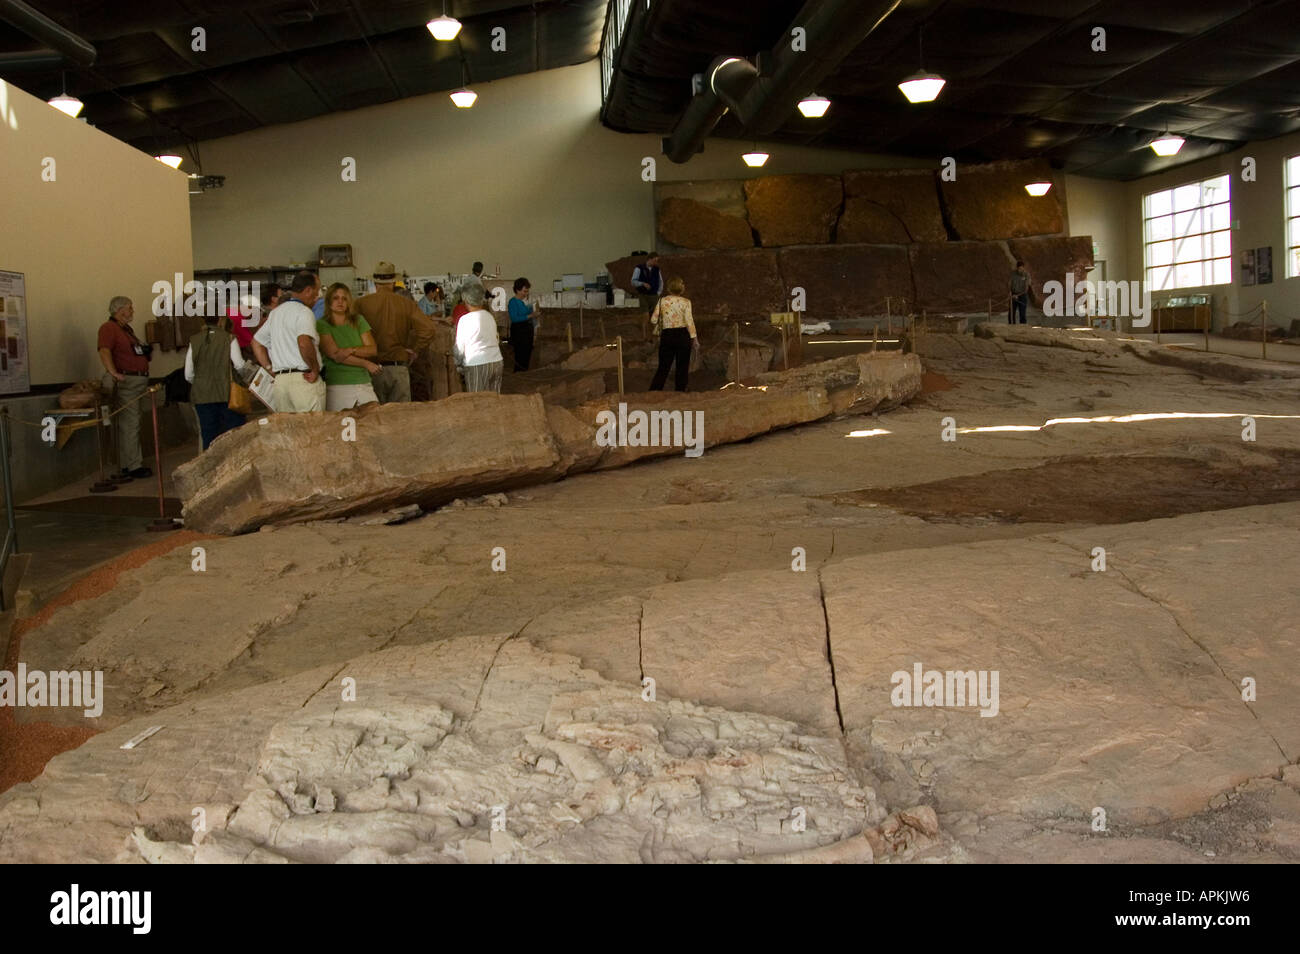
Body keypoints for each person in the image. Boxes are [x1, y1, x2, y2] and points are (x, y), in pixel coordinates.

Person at [354, 261, 437, 403]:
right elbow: (428, 329)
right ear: (393, 282)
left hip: (371, 368)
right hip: (398, 367)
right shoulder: (406, 304)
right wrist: (415, 350)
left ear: (375, 283)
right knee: (401, 419)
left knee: (374, 418)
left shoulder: (360, 304)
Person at [251, 270, 325, 412]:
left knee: (288, 431)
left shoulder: (276, 313)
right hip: (304, 379)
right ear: (308, 290)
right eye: (316, 291)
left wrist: (269, 368)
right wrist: (314, 368)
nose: (317, 296)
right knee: (312, 430)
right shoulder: (304, 312)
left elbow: (256, 342)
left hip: (281, 383)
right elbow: (303, 342)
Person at [97, 296, 152, 479]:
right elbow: (104, 350)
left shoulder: (126, 330)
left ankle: (129, 462)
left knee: (132, 422)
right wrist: (113, 373)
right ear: (120, 310)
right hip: (127, 382)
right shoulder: (108, 328)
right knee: (130, 423)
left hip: (137, 381)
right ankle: (133, 465)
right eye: (130, 308)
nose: (132, 311)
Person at [185, 312, 246, 449]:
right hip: (227, 394)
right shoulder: (229, 338)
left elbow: (188, 373)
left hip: (202, 395)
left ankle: (212, 468)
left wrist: (202, 382)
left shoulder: (194, 340)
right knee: (234, 435)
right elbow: (239, 365)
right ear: (220, 320)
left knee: (209, 436)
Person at [316, 282, 381, 411]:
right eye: (336, 298)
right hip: (337, 383)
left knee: (373, 422)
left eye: (344, 298)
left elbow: (372, 349)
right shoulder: (322, 324)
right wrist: (365, 363)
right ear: (328, 301)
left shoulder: (358, 320)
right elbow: (336, 355)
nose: (340, 302)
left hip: (363, 381)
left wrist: (350, 350)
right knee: (339, 426)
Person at [649, 277, 698, 392]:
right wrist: (694, 339)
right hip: (682, 335)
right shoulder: (686, 302)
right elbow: (689, 321)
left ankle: (655, 391)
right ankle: (680, 391)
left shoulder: (662, 301)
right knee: (682, 367)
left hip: (667, 335)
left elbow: (653, 320)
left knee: (663, 367)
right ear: (681, 288)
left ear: (669, 288)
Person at [454, 283, 504, 393]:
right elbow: (496, 339)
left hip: (476, 364)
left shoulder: (464, 320)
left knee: (477, 401)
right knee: (494, 400)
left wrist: (458, 364)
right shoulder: (489, 316)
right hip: (496, 361)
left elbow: (459, 348)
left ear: (465, 300)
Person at [507, 277, 540, 372]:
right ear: (517, 290)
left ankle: (524, 372)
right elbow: (514, 318)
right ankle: (519, 374)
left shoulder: (521, 302)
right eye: (524, 291)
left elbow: (526, 312)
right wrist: (530, 315)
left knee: (527, 354)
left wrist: (533, 309)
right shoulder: (513, 302)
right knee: (520, 355)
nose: (526, 294)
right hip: (519, 331)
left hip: (526, 331)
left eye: (527, 291)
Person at [632, 252, 662, 316]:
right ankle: (644, 325)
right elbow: (633, 281)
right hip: (643, 295)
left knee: (655, 315)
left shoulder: (657, 269)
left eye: (657, 261)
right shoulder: (639, 268)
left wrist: (659, 292)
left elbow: (660, 281)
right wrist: (642, 284)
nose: (656, 262)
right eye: (654, 260)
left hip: (654, 295)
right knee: (645, 313)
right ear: (649, 259)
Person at [1010, 260, 1030, 325]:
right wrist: (1010, 293)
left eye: (1021, 269)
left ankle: (1023, 328)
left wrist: (1018, 295)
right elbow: (1009, 284)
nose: (1019, 270)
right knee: (1011, 312)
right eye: (1018, 268)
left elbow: (1026, 289)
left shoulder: (1026, 275)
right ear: (1017, 268)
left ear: (1023, 268)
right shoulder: (1013, 274)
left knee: (1022, 313)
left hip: (1022, 295)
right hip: (1013, 295)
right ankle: (1011, 326)